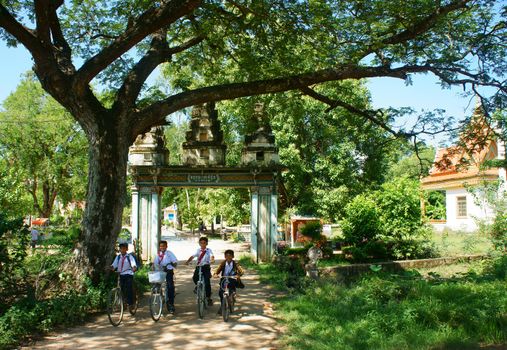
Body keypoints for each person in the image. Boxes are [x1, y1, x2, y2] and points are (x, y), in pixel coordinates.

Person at [213, 249, 245, 315]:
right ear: (225, 256)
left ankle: (232, 295)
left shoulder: (235, 264)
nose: (228, 257)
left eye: (230, 256)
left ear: (233, 256)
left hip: (232, 279)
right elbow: (217, 270)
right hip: (224, 279)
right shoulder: (223, 263)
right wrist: (215, 274)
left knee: (231, 290)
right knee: (221, 293)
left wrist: (238, 275)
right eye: (227, 256)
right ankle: (222, 306)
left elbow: (241, 271)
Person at [186, 236, 215, 306]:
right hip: (199, 267)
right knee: (195, 278)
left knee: (207, 282)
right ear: (199, 243)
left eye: (204, 243)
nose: (203, 244)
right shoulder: (198, 250)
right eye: (201, 243)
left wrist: (212, 260)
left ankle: (208, 298)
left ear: (207, 243)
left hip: (206, 267)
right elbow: (193, 256)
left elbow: (212, 256)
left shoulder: (209, 250)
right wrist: (187, 261)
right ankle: (197, 286)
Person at [153, 240, 178, 314]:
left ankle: (171, 304)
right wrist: (153, 267)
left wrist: (173, 264)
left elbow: (175, 262)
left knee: (170, 287)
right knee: (156, 285)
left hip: (168, 271)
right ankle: (159, 296)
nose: (162, 247)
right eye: (161, 246)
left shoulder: (169, 254)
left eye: (163, 246)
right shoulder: (158, 254)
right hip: (160, 272)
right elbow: (155, 263)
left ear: (166, 246)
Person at [111, 243, 137, 312]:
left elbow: (133, 264)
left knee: (128, 288)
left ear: (126, 249)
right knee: (121, 289)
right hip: (121, 274)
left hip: (128, 274)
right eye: (121, 248)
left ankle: (131, 303)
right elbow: (114, 265)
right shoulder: (118, 257)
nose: (122, 250)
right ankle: (122, 303)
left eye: (124, 248)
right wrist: (111, 268)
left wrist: (134, 268)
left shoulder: (129, 257)